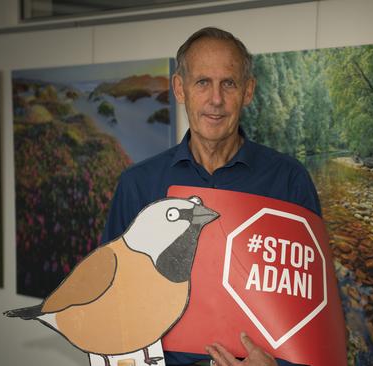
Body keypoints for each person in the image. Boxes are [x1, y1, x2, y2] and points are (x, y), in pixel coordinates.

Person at [101, 27, 321, 366]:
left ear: (248, 91)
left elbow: (311, 313)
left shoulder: (289, 182)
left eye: (228, 83)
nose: (215, 99)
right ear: (180, 88)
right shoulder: (137, 185)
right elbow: (111, 303)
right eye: (202, 82)